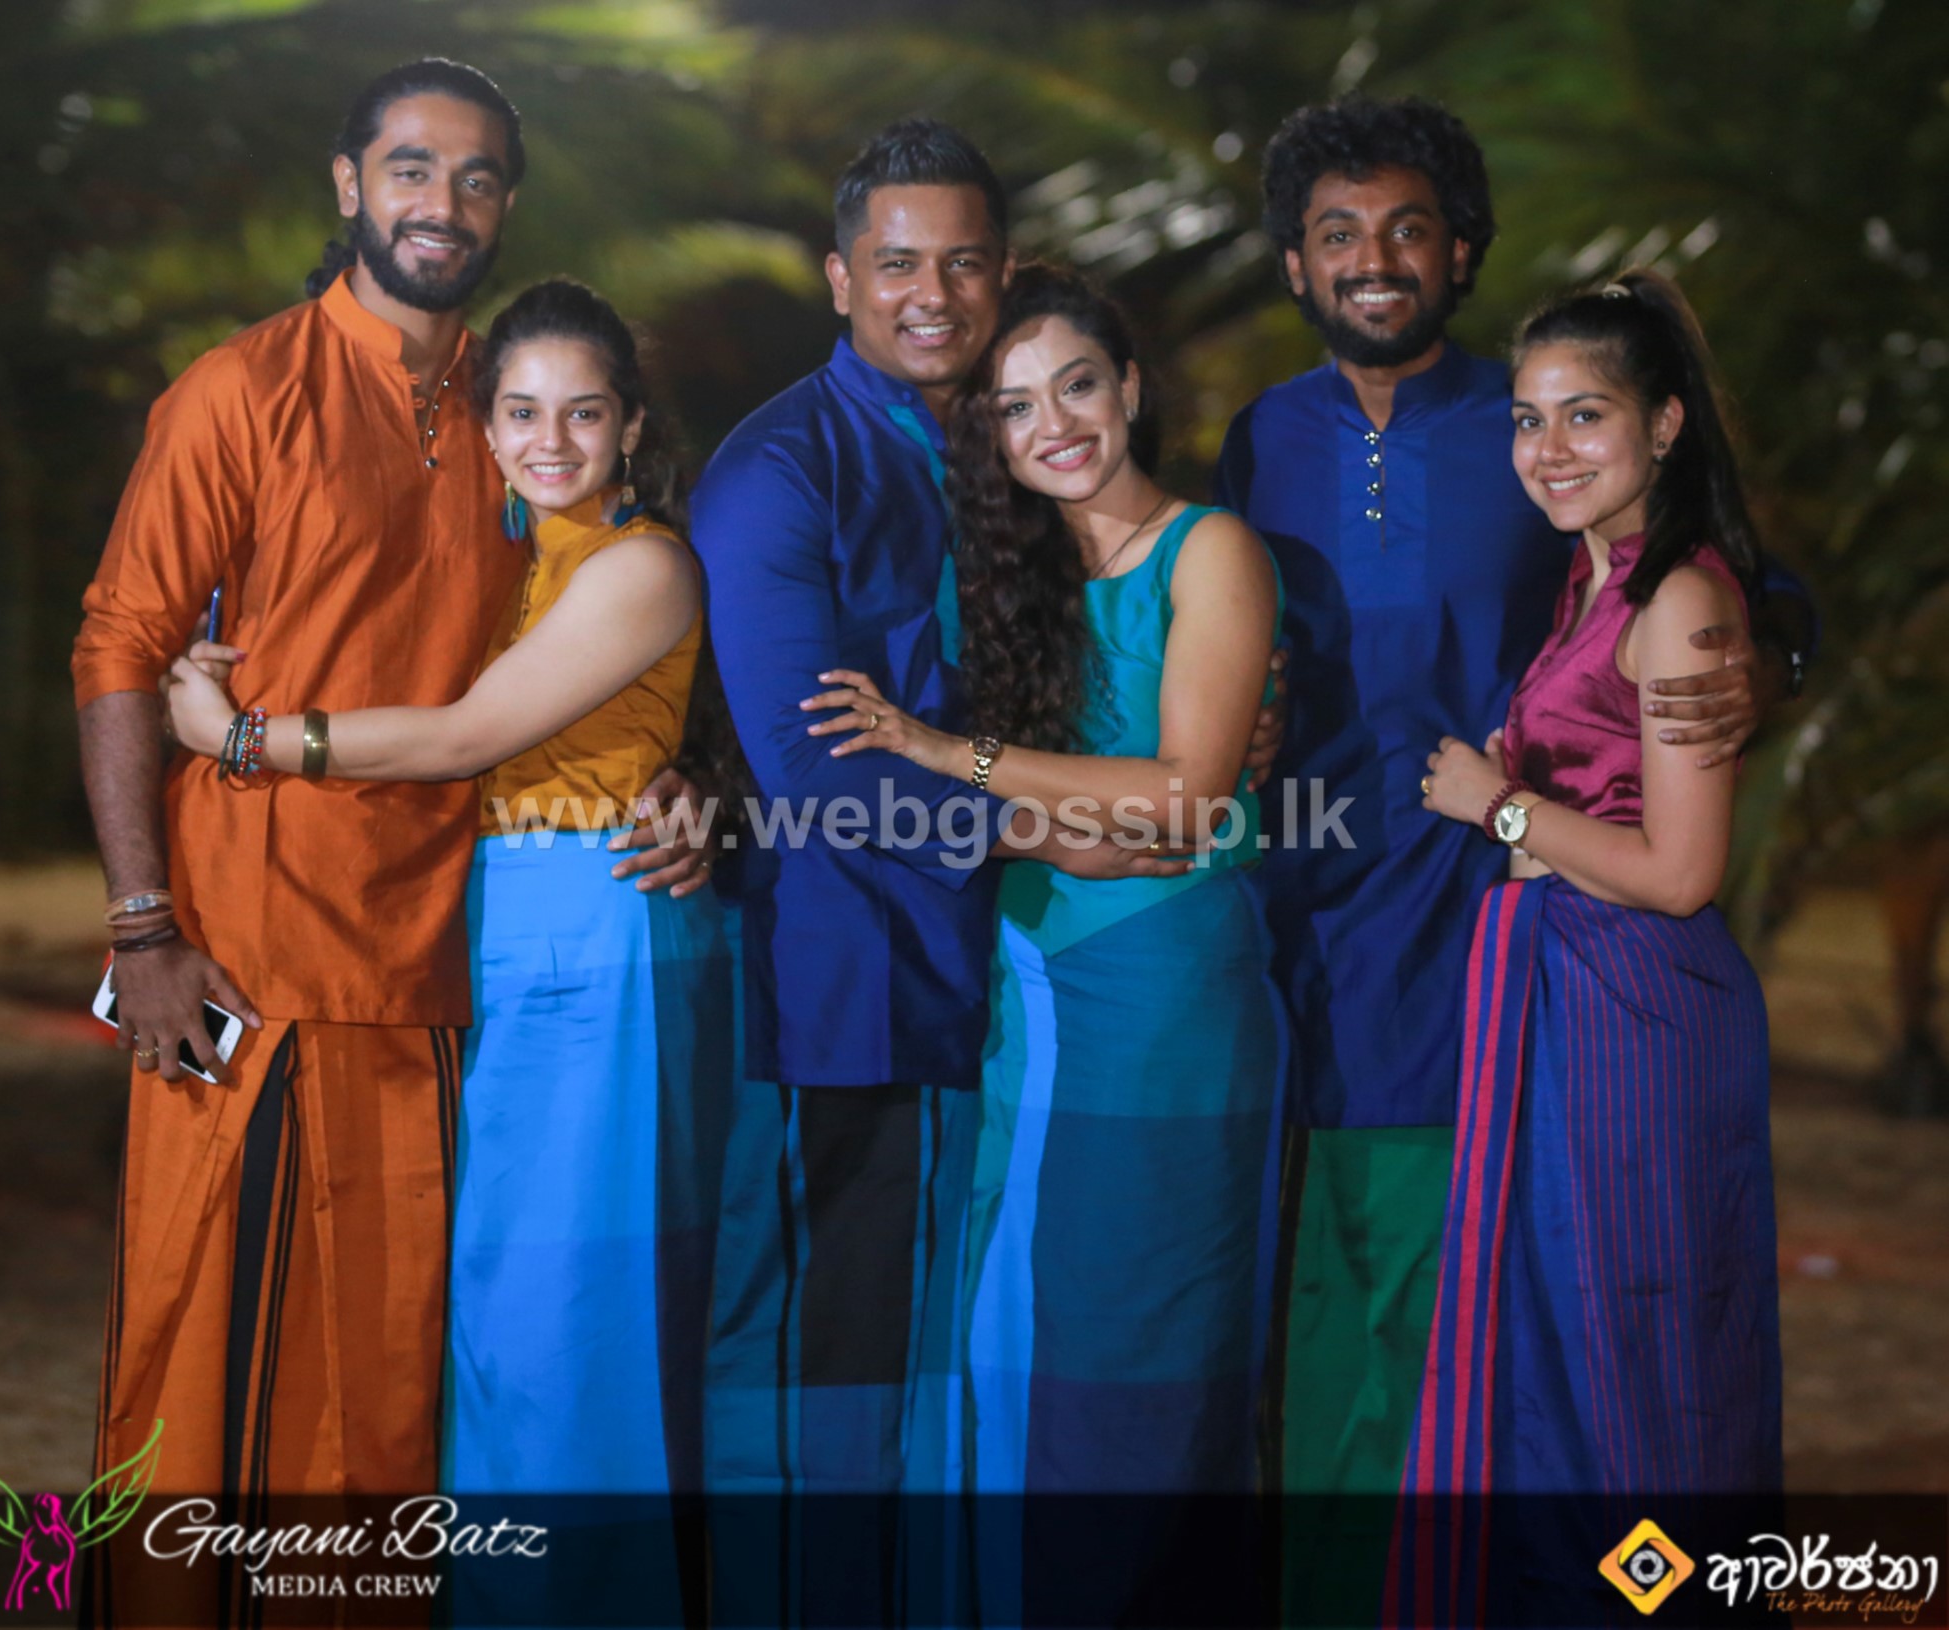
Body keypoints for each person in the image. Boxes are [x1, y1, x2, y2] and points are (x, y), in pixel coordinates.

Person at [69, 62, 704, 1593]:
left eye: (477, 177)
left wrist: (688, 773)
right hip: (249, 949)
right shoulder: (242, 390)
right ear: (350, 185)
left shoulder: (512, 405)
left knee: (400, 1370)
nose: (443, 202)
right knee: (207, 1346)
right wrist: (143, 924)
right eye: (412, 168)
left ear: (507, 206)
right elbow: (120, 646)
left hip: (444, 961)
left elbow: (599, 617)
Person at [1208, 92, 1805, 1622]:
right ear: (1294, 264)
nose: (1376, 258)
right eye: (1339, 233)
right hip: (1301, 922)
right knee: (1313, 1292)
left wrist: (1764, 659)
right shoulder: (1262, 439)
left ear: (1462, 250)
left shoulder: (1537, 420)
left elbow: (1720, 575)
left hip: (1503, 943)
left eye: (1409, 227)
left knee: (1519, 1308)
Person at [691, 119, 1224, 1625]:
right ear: (840, 277)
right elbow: (811, 773)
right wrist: (1055, 830)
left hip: (1016, 988)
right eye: (899, 263)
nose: (933, 294)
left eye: (966, 263)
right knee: (823, 1381)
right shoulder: (779, 468)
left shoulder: (1014, 445)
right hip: (845, 989)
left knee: (950, 1381)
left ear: (1005, 273)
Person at [163, 277, 733, 1621]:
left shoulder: (640, 563)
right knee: (484, 1311)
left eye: (582, 412)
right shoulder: (498, 552)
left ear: (630, 424)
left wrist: (241, 735)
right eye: (521, 412)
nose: (550, 439)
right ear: (483, 426)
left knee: (565, 1321)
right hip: (487, 922)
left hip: (595, 920)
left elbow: (465, 736)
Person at [807, 261, 1286, 1620]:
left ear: (1129, 387)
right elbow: (1023, 809)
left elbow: (1184, 799)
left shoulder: (1211, 552)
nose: (1054, 425)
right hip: (1024, 991)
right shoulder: (1006, 578)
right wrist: (1033, 819)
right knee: (1013, 1319)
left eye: (1076, 385)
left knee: (1142, 1329)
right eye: (1016, 408)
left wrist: (950, 756)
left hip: (1164, 995)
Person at [1394, 269, 1781, 1623]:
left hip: (1634, 1010)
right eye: (1526, 418)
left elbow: (1681, 872)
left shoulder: (1679, 600)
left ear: (1664, 424)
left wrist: (1498, 804)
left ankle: (1655, 1604)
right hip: (1563, 997)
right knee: (1558, 1347)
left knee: (1637, 1346)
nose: (1547, 449)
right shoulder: (1595, 572)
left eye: (1584, 415)